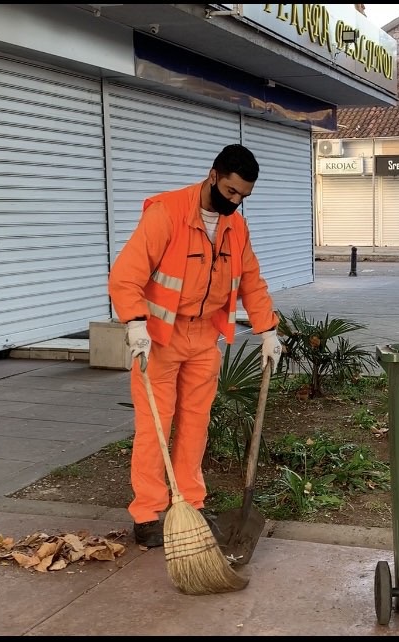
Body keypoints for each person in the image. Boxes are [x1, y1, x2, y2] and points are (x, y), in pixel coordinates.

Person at [107, 143, 284, 548]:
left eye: (244, 197)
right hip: (160, 339)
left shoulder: (234, 228)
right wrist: (134, 322)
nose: (235, 203)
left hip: (205, 338)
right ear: (214, 176)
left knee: (195, 426)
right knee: (154, 425)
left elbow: (252, 282)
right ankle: (148, 513)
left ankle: (190, 502)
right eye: (231, 192)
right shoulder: (166, 214)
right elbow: (126, 274)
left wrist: (267, 330)